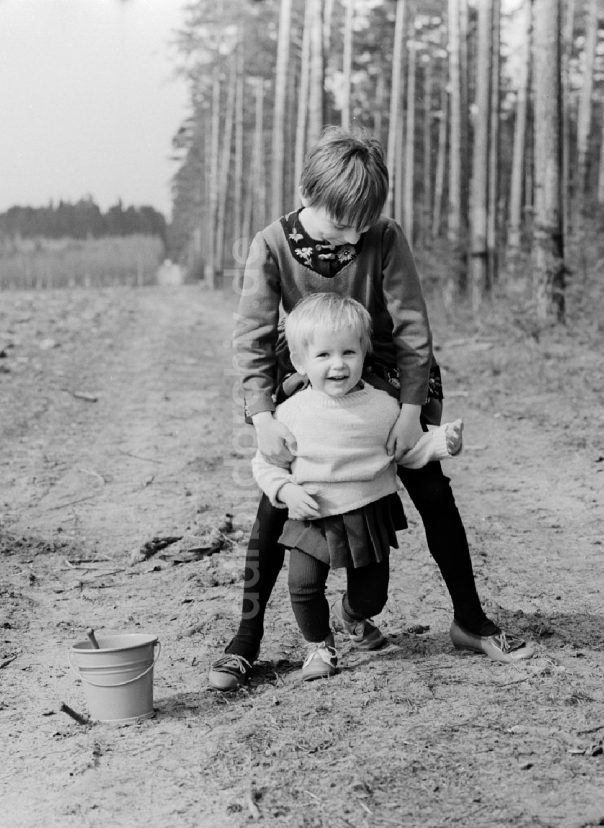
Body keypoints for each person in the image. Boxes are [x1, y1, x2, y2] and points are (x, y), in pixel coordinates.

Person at [209, 126, 534, 691]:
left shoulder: (383, 235)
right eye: (343, 223)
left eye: (364, 222)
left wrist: (411, 410)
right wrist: (262, 417)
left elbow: (412, 328)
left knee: (433, 491)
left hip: (388, 382)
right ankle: (246, 638)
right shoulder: (271, 244)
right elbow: (253, 339)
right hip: (313, 380)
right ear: (310, 195)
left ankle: (470, 620)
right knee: (274, 507)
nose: (355, 234)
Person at [250, 293, 465, 681]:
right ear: (299, 363)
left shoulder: (383, 407)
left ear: (365, 354)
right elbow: (265, 464)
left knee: (372, 597)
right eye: (323, 356)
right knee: (302, 585)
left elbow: (407, 451)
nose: (338, 365)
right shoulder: (290, 412)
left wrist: (441, 442)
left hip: (367, 513)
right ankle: (319, 645)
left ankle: (351, 613)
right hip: (312, 512)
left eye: (349, 352)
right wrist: (284, 491)